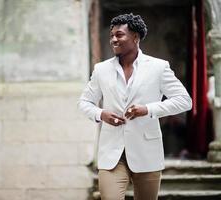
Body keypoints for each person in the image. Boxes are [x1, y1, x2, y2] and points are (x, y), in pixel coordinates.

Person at [78, 13, 192, 200]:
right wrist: (101, 114)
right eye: (112, 36)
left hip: (147, 153)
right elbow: (84, 102)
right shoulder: (101, 69)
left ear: (135, 37)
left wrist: (148, 109)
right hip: (112, 155)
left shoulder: (158, 67)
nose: (114, 39)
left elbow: (184, 100)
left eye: (119, 35)